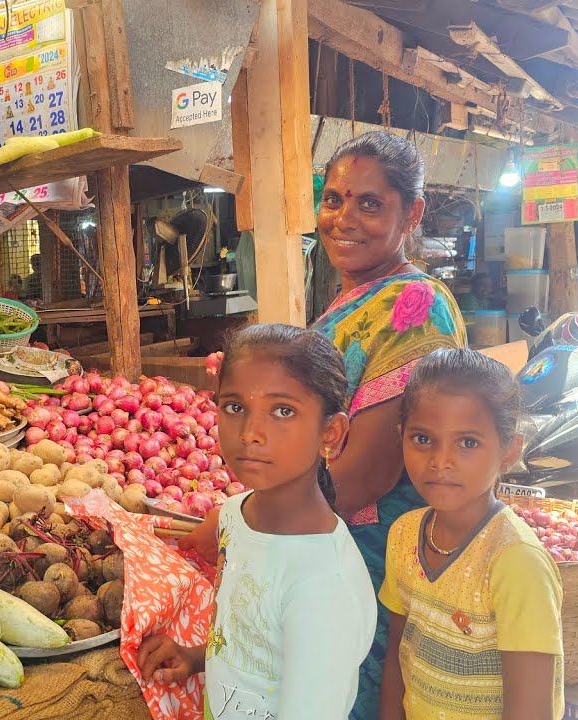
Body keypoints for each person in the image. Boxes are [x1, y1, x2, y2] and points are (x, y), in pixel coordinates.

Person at [181, 131, 467, 719]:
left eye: (370, 203)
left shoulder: (413, 305)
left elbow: (364, 475)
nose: (345, 218)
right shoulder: (355, 298)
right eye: (334, 199)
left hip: (362, 549)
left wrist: (243, 519)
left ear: (411, 212)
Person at [138, 324, 377, 719]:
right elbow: (253, 639)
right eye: (235, 407)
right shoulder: (235, 516)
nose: (251, 433)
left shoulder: (322, 587)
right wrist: (197, 658)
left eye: (283, 411)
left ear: (330, 432)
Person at [380, 348, 563, 720]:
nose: (440, 460)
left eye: (467, 442)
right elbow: (397, 657)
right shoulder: (403, 535)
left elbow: (530, 711)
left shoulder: (514, 563)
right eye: (422, 439)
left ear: (509, 452)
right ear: (401, 437)